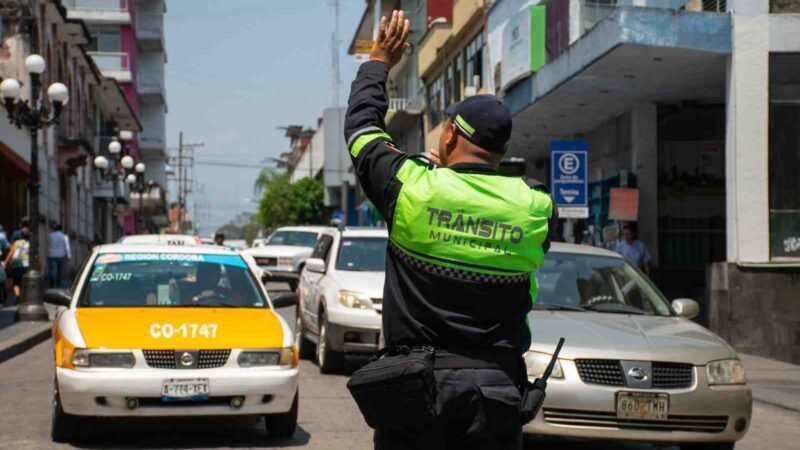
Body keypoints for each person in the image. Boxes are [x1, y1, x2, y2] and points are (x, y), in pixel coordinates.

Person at [344, 11, 555, 449]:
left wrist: (378, 60)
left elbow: (363, 131)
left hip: (415, 390)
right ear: (501, 149)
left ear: (451, 136)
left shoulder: (412, 188)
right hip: (496, 391)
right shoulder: (536, 206)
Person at [4, 228, 31, 300]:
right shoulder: (30, 243)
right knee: (26, 280)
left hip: (16, 263)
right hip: (26, 263)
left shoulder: (16, 242)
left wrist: (6, 262)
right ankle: (25, 296)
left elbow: (11, 252)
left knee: (16, 282)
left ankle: (17, 296)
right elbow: (35, 256)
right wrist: (40, 266)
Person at [47, 223, 71, 288]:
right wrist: (69, 256)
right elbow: (67, 247)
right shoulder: (64, 236)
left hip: (51, 255)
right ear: (61, 229)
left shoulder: (50, 235)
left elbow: (48, 243)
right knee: (60, 270)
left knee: (51, 269)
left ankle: (51, 279)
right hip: (60, 255)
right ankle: (58, 283)